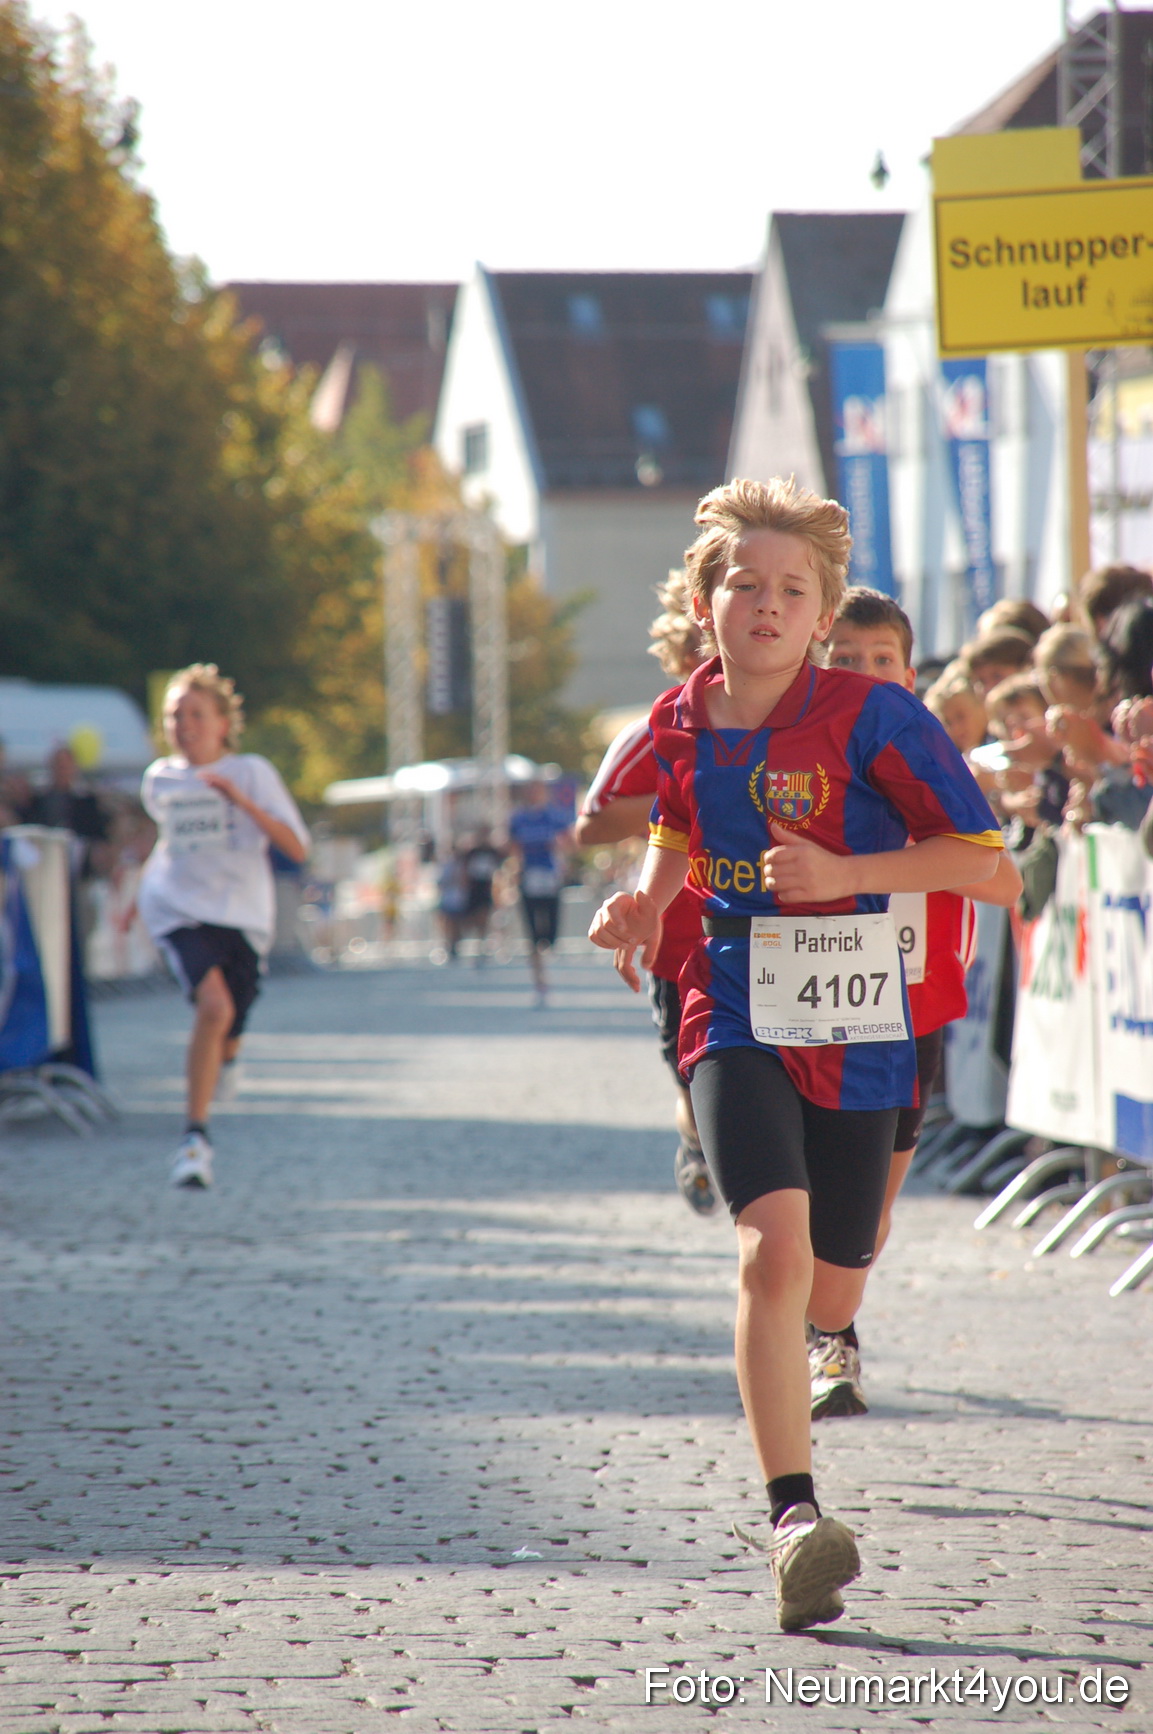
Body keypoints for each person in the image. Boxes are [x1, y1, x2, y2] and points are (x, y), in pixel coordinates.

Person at [589, 478, 1002, 1633]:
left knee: (834, 1270)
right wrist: (642, 906)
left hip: (863, 1020)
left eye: (791, 590)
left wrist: (852, 876)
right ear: (705, 599)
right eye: (745, 584)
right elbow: (672, 822)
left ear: (820, 617)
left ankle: (836, 1327)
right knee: (770, 1254)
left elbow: (985, 862)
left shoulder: (875, 717)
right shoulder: (674, 719)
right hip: (730, 1005)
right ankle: (792, 1522)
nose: (765, 605)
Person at [815, 588, 1022, 1417]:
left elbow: (1002, 882)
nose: (864, 675)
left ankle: (832, 1325)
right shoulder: (793, 753)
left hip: (905, 1010)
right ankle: (823, 1342)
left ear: (908, 671)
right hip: (799, 1000)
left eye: (880, 661)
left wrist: (893, 860)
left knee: (867, 1206)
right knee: (786, 1191)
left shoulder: (936, 760)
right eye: (844, 659)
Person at [138, 664, 309, 1189]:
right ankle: (195, 1140)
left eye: (195, 714)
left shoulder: (252, 772)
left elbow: (297, 849)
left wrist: (241, 803)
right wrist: (133, 895)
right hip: (176, 908)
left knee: (231, 1019)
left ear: (221, 723)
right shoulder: (158, 780)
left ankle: (228, 1056)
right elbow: (170, 843)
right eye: (173, 716)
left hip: (241, 916)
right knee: (213, 1008)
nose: (183, 725)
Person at [575, 572, 714, 1213]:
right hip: (675, 934)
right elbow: (590, 825)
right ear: (681, 652)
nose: (713, 655)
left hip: (767, 936)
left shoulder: (805, 718)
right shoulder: (659, 726)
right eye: (700, 644)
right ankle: (694, 1140)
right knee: (691, 1077)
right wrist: (682, 802)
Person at [508, 781, 571, 1005]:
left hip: (550, 878)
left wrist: (561, 850)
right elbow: (513, 846)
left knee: (550, 934)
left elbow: (568, 841)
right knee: (532, 935)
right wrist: (514, 870)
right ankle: (540, 982)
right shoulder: (518, 819)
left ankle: (551, 971)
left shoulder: (553, 817)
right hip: (529, 878)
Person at [461, 828, 505, 962]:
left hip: (486, 887)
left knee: (485, 915)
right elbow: (465, 869)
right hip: (474, 889)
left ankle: (482, 943)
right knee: (472, 918)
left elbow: (499, 870)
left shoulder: (493, 852)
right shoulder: (472, 852)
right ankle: (474, 939)